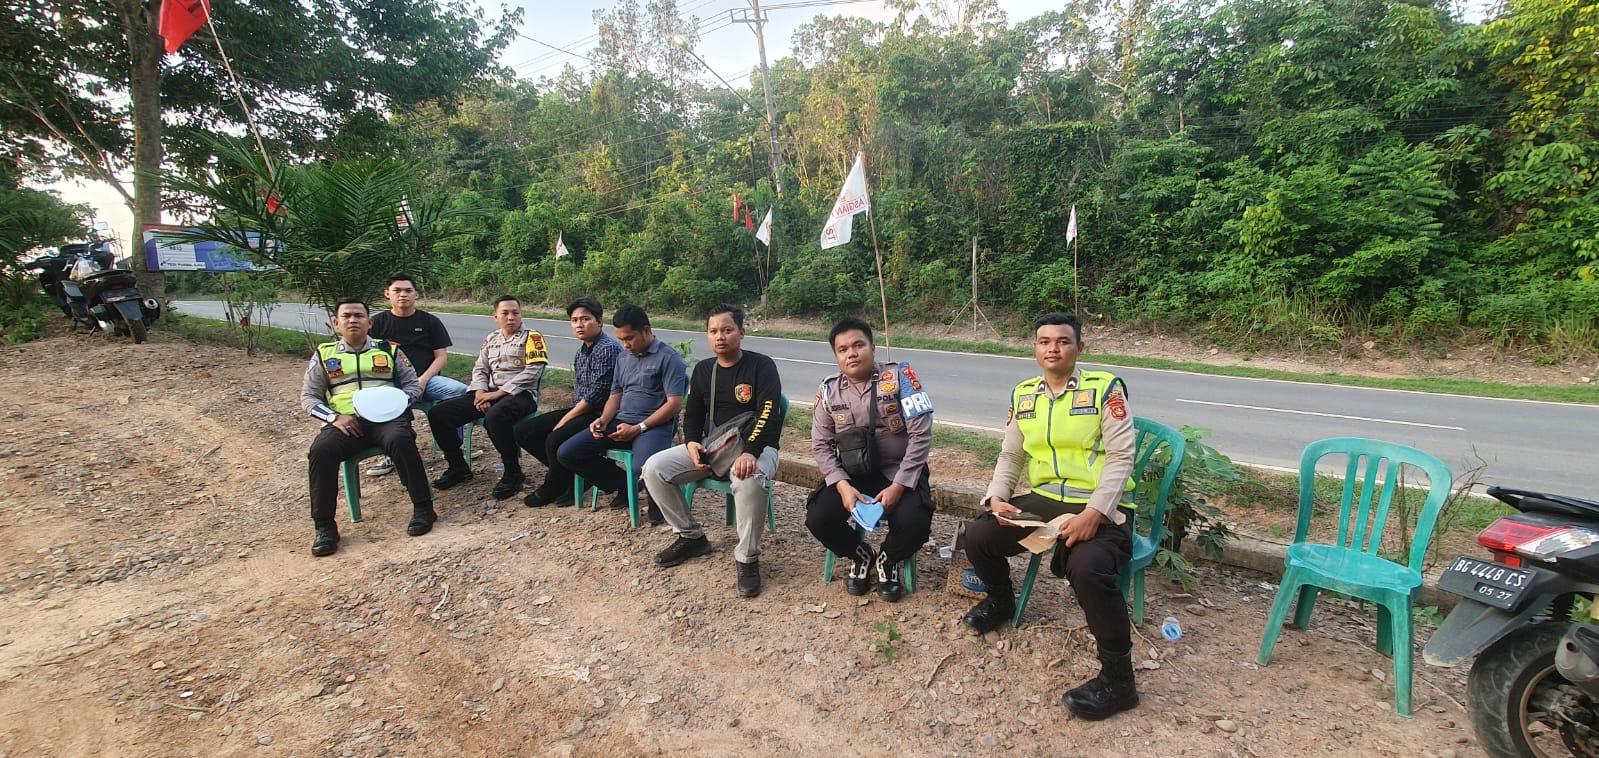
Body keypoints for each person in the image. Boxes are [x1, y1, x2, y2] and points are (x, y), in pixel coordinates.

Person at [960, 311, 1141, 721]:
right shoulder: (1024, 394)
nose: (1053, 348)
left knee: (1088, 565)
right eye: (1044, 341)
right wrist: (997, 498)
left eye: (1062, 341)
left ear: (1079, 346)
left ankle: (1119, 680)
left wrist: (1095, 512)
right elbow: (1011, 455)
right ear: (1035, 348)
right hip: (1045, 497)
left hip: (1102, 503)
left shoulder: (1104, 389)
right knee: (979, 535)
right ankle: (1002, 602)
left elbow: (1121, 458)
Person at [641, 304, 782, 597]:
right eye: (713, 331)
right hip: (717, 445)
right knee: (654, 468)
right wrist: (692, 442)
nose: (720, 337)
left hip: (758, 445)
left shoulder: (762, 365)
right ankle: (691, 536)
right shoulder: (705, 370)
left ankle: (747, 558)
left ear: (741, 333)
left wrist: (751, 453)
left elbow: (769, 413)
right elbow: (692, 413)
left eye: (727, 330)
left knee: (750, 480)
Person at [804, 318, 933, 602]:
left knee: (915, 522)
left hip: (899, 470)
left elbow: (921, 437)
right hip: (853, 472)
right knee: (818, 517)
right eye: (843, 349)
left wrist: (899, 486)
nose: (851, 353)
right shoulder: (828, 390)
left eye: (858, 345)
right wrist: (842, 486)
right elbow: (821, 445)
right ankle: (861, 555)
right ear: (836, 356)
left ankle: (888, 560)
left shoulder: (901, 377)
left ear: (873, 348)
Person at [299, 297, 436, 557]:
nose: (353, 320)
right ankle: (325, 527)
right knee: (321, 451)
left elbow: (413, 386)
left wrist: (399, 403)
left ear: (369, 322)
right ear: (336, 323)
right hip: (346, 421)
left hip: (388, 419)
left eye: (359, 316)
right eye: (347, 316)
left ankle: (423, 508)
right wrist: (333, 418)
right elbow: (308, 397)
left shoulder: (389, 350)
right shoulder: (324, 354)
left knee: (401, 440)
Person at [557, 304, 686, 513]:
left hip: (653, 426)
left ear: (646, 330)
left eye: (629, 338)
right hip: (621, 421)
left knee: (642, 468)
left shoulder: (670, 359)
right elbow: (615, 395)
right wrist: (604, 420)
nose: (625, 345)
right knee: (568, 452)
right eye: (621, 340)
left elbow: (674, 405)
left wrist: (639, 428)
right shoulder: (623, 357)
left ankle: (659, 509)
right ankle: (625, 487)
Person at [427, 295, 548, 499]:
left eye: (515, 313)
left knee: (495, 416)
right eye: (505, 313)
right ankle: (458, 466)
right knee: (439, 413)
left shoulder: (532, 338)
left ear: (521, 314)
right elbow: (480, 369)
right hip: (489, 392)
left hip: (520, 395)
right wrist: (481, 393)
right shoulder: (492, 339)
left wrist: (497, 395)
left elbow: (532, 372)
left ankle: (512, 471)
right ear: (495, 317)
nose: (511, 317)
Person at [517, 297, 622, 507]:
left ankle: (555, 485)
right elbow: (581, 393)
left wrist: (566, 419)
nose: (579, 324)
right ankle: (572, 476)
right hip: (582, 409)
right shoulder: (583, 350)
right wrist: (567, 416)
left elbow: (597, 396)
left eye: (585, 319)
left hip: (602, 413)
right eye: (574, 320)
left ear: (599, 321)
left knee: (555, 438)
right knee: (524, 432)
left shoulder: (607, 349)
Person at [365, 273, 472, 476]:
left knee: (460, 392)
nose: (403, 295)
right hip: (390, 384)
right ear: (387, 294)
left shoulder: (429, 321)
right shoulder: (376, 324)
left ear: (416, 294)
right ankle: (389, 454)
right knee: (376, 400)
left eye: (408, 291)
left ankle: (452, 447)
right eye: (397, 291)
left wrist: (423, 380)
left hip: (427, 380)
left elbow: (441, 357)